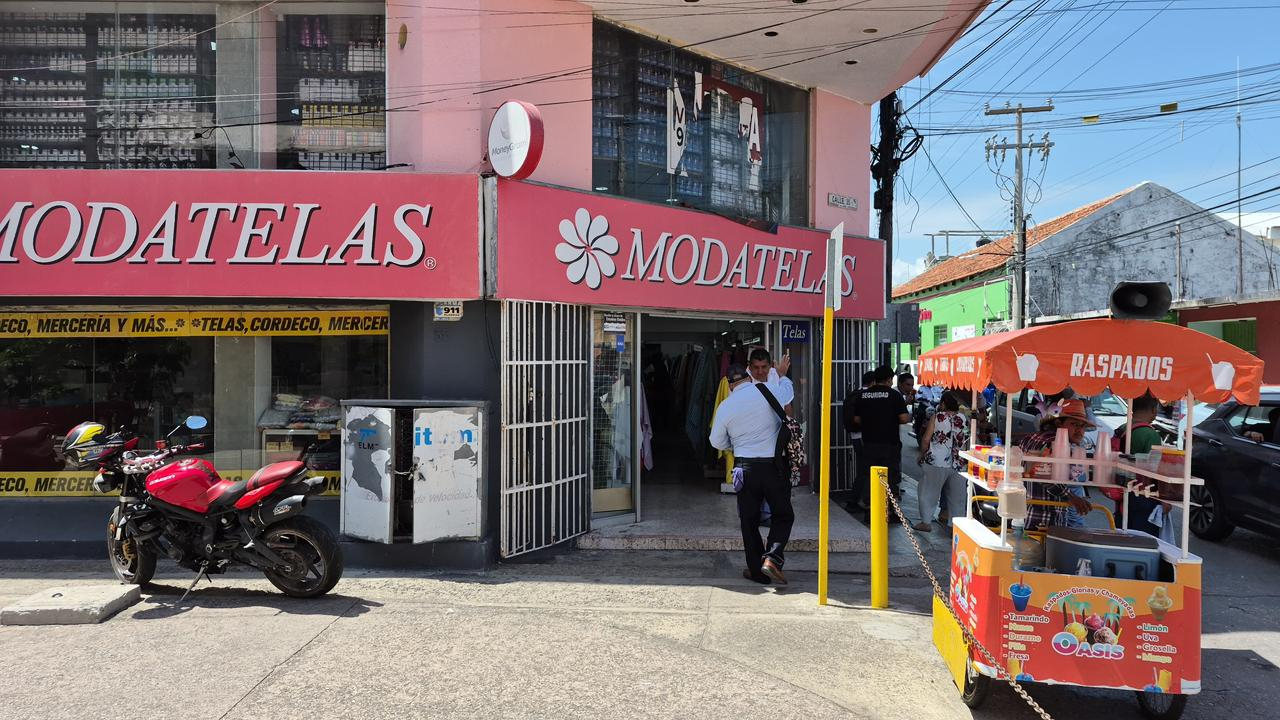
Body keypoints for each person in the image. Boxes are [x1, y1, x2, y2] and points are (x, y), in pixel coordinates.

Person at [709, 355, 794, 585]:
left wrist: (735, 445)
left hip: (744, 467)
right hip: (773, 467)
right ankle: (772, 558)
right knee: (783, 514)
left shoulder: (726, 406)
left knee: (749, 520)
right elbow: (788, 393)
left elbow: (716, 441)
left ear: (729, 384)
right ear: (748, 376)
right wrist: (782, 375)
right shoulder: (768, 390)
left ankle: (757, 571)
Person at [1019, 398, 1094, 531]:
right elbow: (1040, 473)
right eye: (1074, 424)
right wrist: (1071, 497)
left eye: (1082, 426)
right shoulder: (1055, 444)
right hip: (1045, 519)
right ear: (1059, 423)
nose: (1080, 430)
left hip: (1023, 514)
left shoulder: (1030, 438)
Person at [853, 365, 910, 524]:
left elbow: (856, 419)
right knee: (890, 478)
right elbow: (904, 418)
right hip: (889, 444)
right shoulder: (894, 395)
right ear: (889, 379)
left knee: (869, 477)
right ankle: (889, 511)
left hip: (869, 443)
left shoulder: (863, 395)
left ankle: (870, 510)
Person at [915, 392, 968, 532]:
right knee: (958, 497)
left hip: (936, 461)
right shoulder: (964, 418)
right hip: (959, 462)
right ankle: (956, 527)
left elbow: (926, 439)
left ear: (943, 403)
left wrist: (921, 454)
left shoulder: (937, 417)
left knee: (928, 491)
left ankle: (926, 522)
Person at [1115, 393, 1164, 535]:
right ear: (1153, 409)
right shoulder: (1151, 435)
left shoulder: (1122, 429)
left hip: (1122, 490)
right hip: (1143, 496)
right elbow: (1154, 469)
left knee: (1122, 535)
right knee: (1143, 539)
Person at [842, 370, 876, 510]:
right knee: (866, 470)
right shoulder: (867, 396)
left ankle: (857, 500)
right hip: (864, 436)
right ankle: (857, 500)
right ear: (873, 382)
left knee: (863, 468)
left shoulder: (854, 393)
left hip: (856, 436)